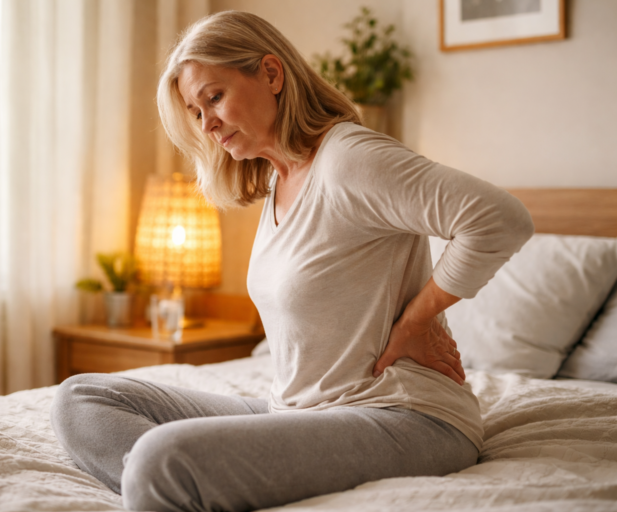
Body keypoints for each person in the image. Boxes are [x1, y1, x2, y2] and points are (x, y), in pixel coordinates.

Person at [51, 11, 534, 512]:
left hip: (404, 415)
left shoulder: (349, 159)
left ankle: (167, 483)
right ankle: (174, 489)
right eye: (196, 111)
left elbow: (500, 219)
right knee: (81, 399)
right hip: (295, 411)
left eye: (214, 97)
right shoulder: (279, 182)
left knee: (160, 457)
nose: (207, 123)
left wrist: (418, 318)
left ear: (272, 74)